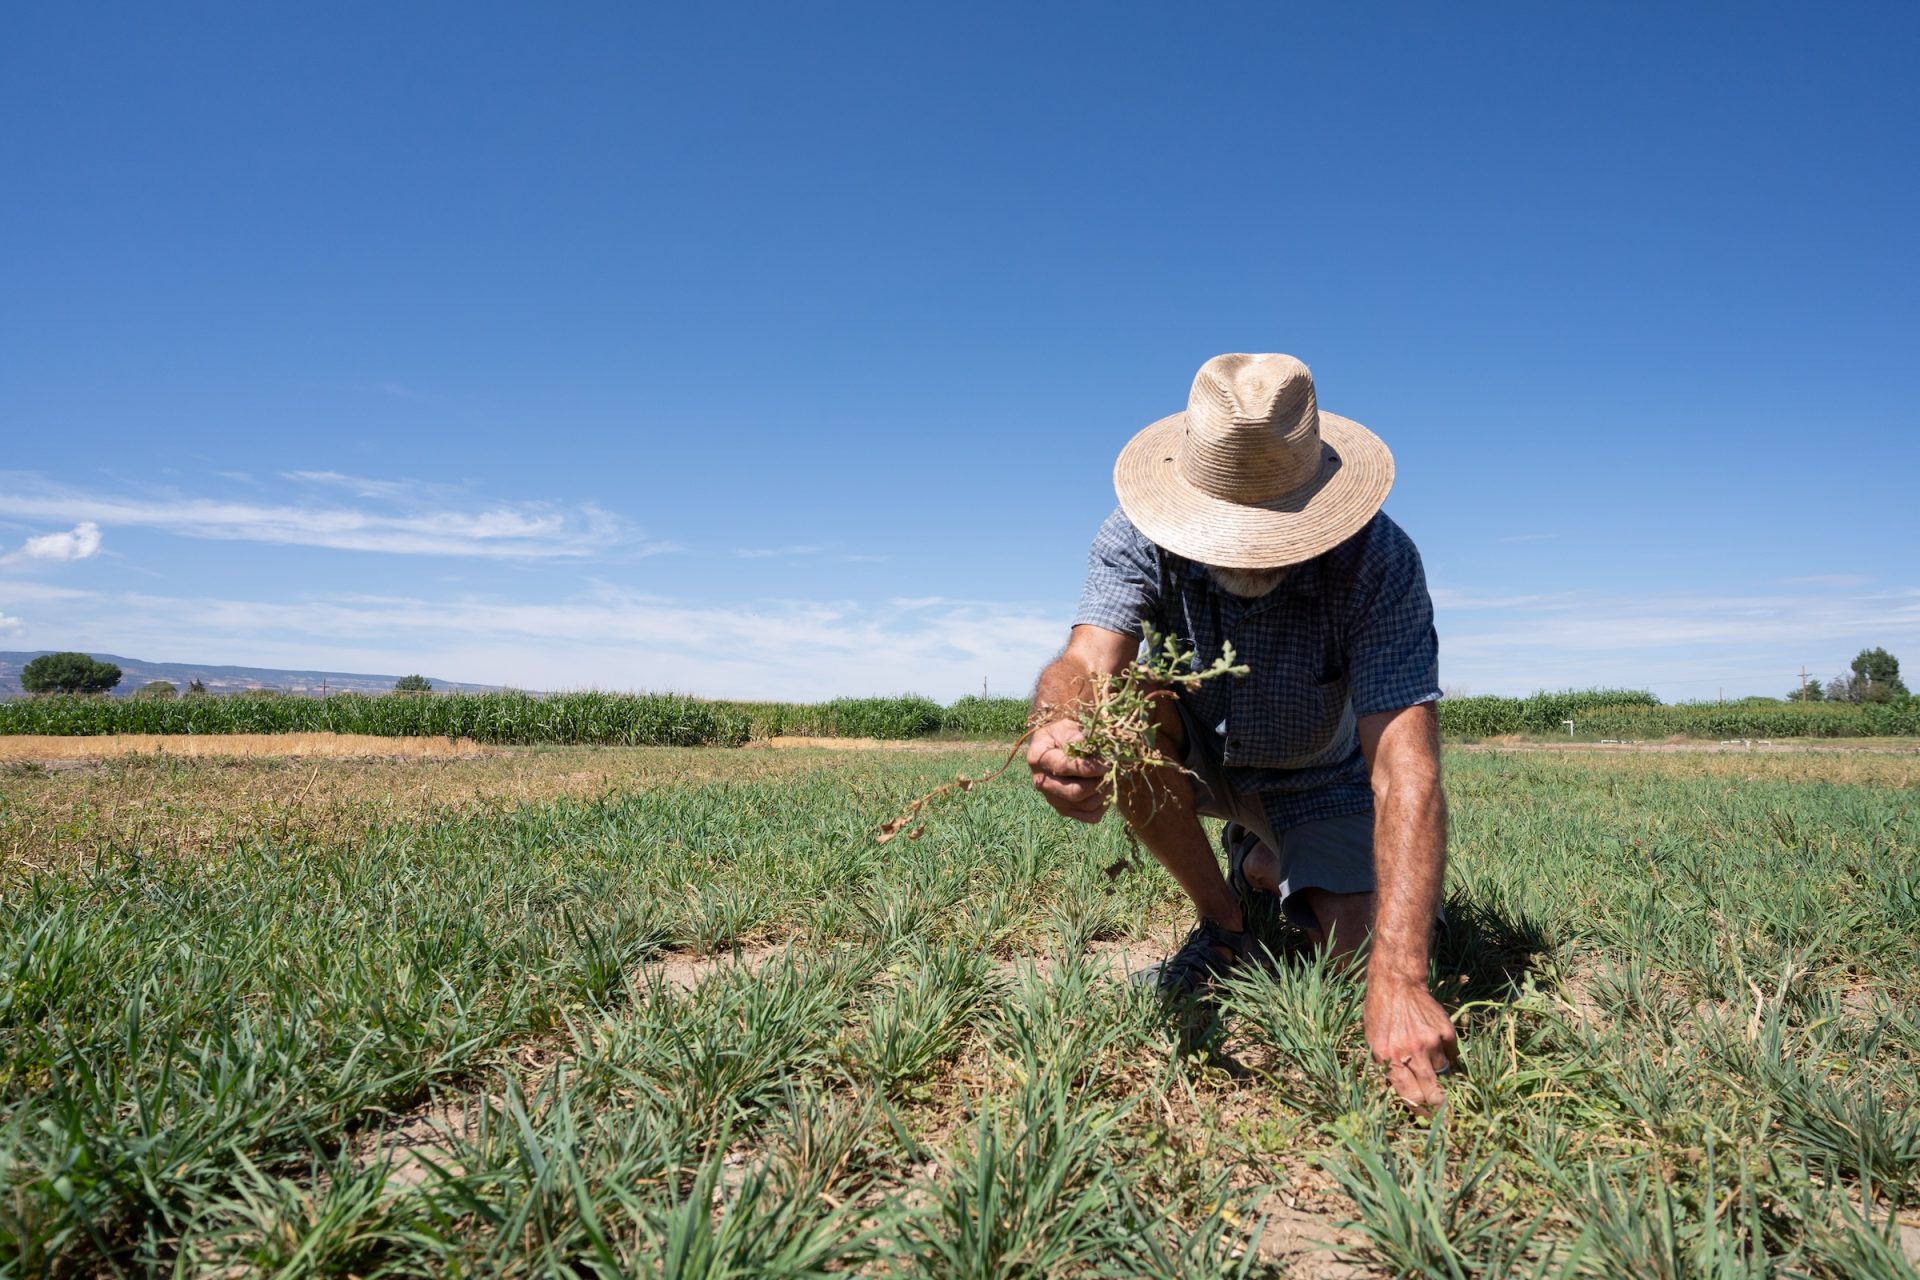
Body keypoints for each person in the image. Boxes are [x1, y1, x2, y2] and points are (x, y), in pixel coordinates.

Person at [1026, 353, 1459, 1108]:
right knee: (1120, 709)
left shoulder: (1379, 562)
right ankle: (1223, 923)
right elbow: (1086, 663)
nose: (1249, 547)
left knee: (1358, 961)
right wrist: (1061, 719)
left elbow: (1405, 767)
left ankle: (1268, 861)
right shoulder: (1134, 535)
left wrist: (1402, 976)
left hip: (1324, 778)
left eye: (1275, 529)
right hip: (1204, 756)